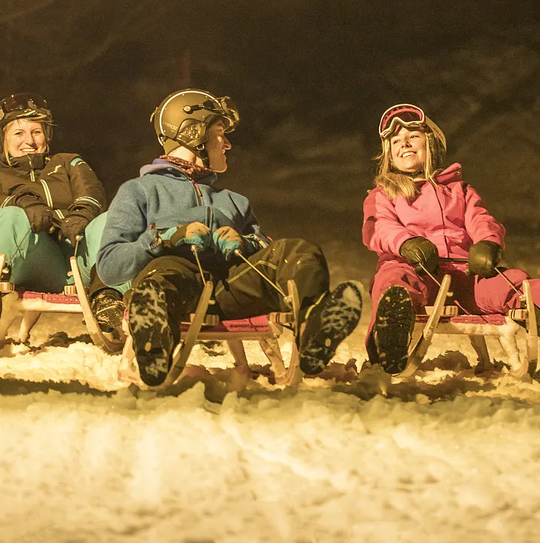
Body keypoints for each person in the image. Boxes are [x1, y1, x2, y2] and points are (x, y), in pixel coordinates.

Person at [96, 89, 363, 387]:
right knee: (163, 274)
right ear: (192, 133)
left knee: (298, 251)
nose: (228, 144)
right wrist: (163, 240)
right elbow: (110, 266)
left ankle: (314, 331)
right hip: (176, 289)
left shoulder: (234, 201)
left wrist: (245, 242)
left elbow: (264, 246)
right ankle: (155, 344)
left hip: (230, 289)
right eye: (219, 133)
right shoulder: (140, 191)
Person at [362, 103, 540, 375]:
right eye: (395, 141)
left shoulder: (459, 191)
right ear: (388, 154)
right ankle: (389, 335)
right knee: (392, 280)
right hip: (415, 266)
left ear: (432, 144)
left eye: (413, 136)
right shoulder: (383, 194)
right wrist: (406, 244)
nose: (404, 143)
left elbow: (482, 220)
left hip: (464, 274)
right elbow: (378, 228)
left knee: (511, 284)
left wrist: (488, 243)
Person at [0, 93, 125, 333]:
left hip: (81, 257)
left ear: (47, 135)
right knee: (10, 216)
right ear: (2, 139)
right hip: (38, 262)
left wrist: (81, 214)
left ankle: (108, 297)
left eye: (36, 131)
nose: (30, 141)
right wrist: (24, 204)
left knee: (112, 219)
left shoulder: (68, 162)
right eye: (18, 133)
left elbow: (91, 190)